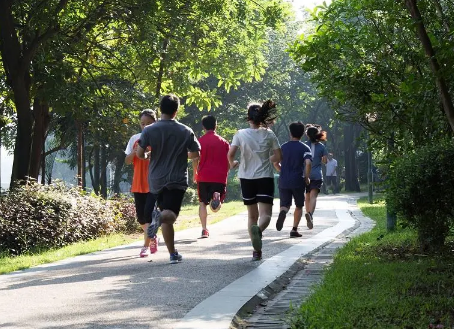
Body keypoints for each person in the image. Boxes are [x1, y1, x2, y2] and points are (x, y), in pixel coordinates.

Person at [137, 94, 200, 264]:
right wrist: (181, 154)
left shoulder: (149, 130)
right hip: (176, 178)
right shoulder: (186, 130)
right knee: (170, 216)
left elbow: (139, 153)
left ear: (160, 109)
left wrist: (148, 155)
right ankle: (158, 218)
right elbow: (195, 154)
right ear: (176, 110)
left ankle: (172, 254)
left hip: (155, 179)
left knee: (166, 216)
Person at [227, 100, 282, 261]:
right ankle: (259, 230)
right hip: (265, 176)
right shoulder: (269, 134)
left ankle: (256, 251)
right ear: (262, 117)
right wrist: (266, 158)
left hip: (246, 177)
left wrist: (233, 164)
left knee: (252, 215)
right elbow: (279, 157)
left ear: (248, 118)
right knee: (266, 215)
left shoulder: (240, 134)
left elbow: (230, 154)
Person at [124, 109, 158, 258]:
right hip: (138, 183)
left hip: (154, 183)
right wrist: (135, 151)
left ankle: (145, 246)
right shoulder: (135, 139)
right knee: (141, 218)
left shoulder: (159, 139)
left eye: (149, 124)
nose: (145, 127)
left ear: (155, 123)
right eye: (143, 124)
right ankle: (152, 235)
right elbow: (127, 161)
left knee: (148, 215)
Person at [192, 115, 230, 238]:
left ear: (203, 127)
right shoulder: (224, 142)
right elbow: (229, 161)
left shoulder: (199, 141)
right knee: (215, 208)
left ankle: (204, 229)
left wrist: (195, 173)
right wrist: (226, 174)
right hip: (219, 177)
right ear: (216, 125)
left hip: (203, 176)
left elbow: (195, 158)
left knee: (203, 202)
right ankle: (216, 196)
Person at [273, 122, 312, 238]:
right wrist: (306, 177)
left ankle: (283, 212)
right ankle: (294, 229)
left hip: (284, 180)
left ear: (290, 133)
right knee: (299, 205)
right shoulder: (305, 147)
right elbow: (308, 163)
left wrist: (282, 171)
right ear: (302, 134)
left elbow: (275, 163)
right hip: (298, 180)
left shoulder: (283, 147)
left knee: (285, 204)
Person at [304, 124, 328, 229]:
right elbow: (325, 161)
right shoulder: (322, 147)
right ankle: (310, 214)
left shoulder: (304, 145)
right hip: (317, 174)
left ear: (307, 135)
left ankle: (307, 212)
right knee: (313, 196)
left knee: (307, 196)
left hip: (305, 174)